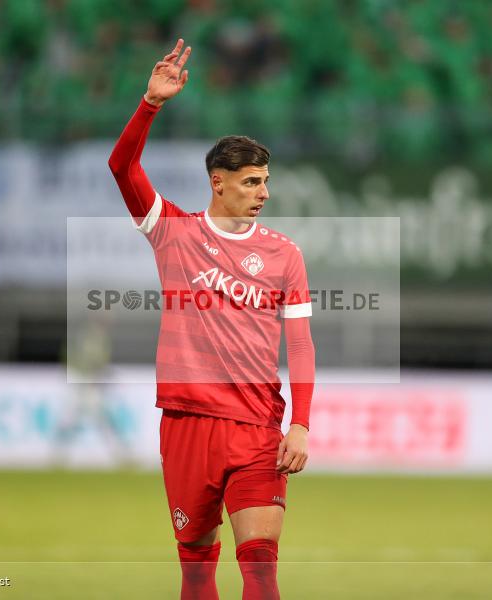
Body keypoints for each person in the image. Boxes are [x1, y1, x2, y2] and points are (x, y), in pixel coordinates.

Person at [108, 38, 315, 600]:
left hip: (254, 427)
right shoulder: (171, 232)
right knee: (196, 572)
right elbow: (121, 166)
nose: (263, 193)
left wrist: (300, 422)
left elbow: (300, 345)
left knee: (260, 567)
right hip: (186, 424)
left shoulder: (284, 254)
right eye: (252, 182)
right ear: (217, 182)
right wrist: (150, 103)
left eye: (266, 181)